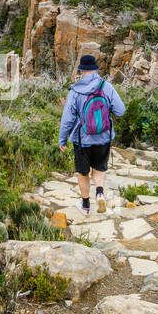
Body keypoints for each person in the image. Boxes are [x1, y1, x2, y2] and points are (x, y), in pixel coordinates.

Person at [58, 54, 126, 214]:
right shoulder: (106, 86)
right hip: (104, 137)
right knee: (99, 169)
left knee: (83, 173)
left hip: (82, 139)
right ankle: (100, 193)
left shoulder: (75, 91)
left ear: (81, 70)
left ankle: (86, 205)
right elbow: (121, 111)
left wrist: (62, 139)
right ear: (95, 69)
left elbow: (67, 119)